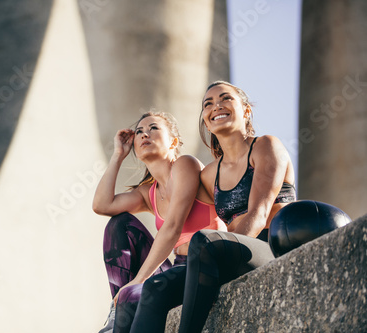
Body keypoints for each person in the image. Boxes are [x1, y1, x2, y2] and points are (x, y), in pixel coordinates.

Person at [130, 81, 296, 333]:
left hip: (271, 247)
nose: (216, 106)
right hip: (224, 254)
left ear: (246, 110)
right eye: (208, 104)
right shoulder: (208, 174)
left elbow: (259, 213)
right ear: (207, 122)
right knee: (154, 288)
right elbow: (175, 209)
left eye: (225, 99)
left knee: (204, 241)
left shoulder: (265, 146)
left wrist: (217, 251)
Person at [93, 111, 226, 333]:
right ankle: (117, 312)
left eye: (153, 128)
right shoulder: (149, 193)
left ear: (173, 141)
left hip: (204, 264)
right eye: (139, 132)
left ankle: (127, 299)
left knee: (134, 291)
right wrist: (118, 155)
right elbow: (102, 206)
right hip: (176, 267)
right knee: (119, 223)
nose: (145, 134)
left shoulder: (185, 165)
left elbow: (173, 227)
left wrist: (140, 279)